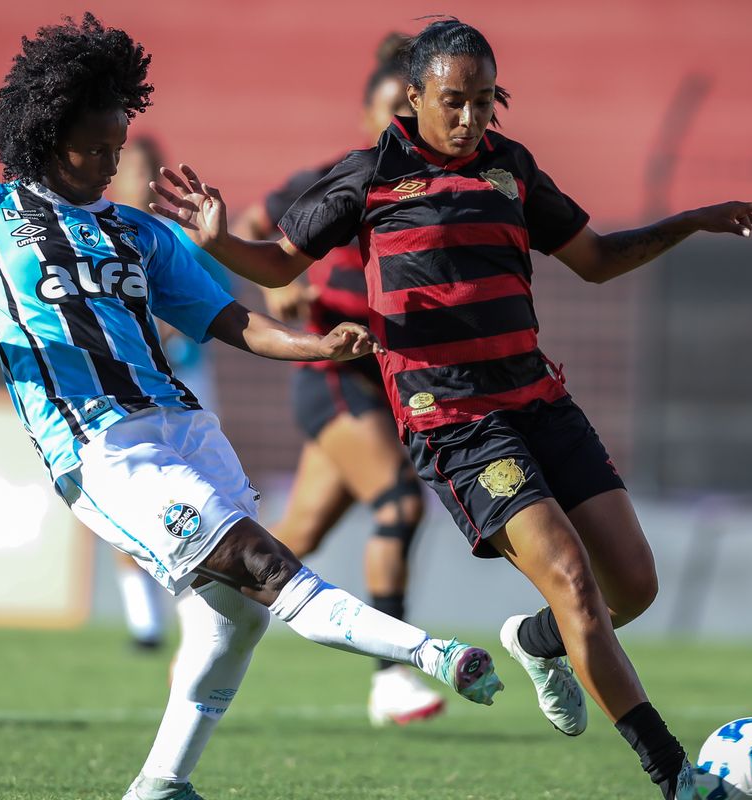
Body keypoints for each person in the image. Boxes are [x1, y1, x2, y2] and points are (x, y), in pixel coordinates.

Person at [0, 15, 502, 800]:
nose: (116, 159)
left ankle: (159, 786)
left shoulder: (138, 232)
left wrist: (317, 346)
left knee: (234, 618)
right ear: (52, 134)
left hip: (187, 430)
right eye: (101, 145)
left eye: (121, 141)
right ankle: (431, 657)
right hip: (102, 450)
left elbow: (231, 321)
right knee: (262, 564)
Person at [149, 17, 752, 800]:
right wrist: (214, 238)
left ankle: (538, 641)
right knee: (573, 580)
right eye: (455, 100)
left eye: (485, 100)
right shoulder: (369, 175)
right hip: (454, 420)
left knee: (635, 588)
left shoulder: (511, 169)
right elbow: (279, 261)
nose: (472, 117)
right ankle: (678, 777)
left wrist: (688, 221)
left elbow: (597, 261)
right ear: (413, 97)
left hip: (541, 400)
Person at [231, 33, 444, 727]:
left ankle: (209, 616)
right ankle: (392, 676)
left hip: (390, 383)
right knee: (400, 503)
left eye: (408, 116)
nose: (397, 129)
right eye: (387, 113)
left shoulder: (442, 191)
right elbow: (251, 228)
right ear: (366, 114)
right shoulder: (332, 179)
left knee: (293, 539)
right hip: (333, 371)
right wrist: (279, 293)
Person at [96, 135, 235, 652]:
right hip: (120, 387)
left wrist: (173, 325)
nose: (142, 177)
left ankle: (198, 615)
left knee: (203, 494)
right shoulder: (94, 236)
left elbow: (217, 300)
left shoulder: (179, 237)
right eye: (133, 167)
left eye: (151, 168)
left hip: (185, 382)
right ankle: (144, 624)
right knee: (128, 495)